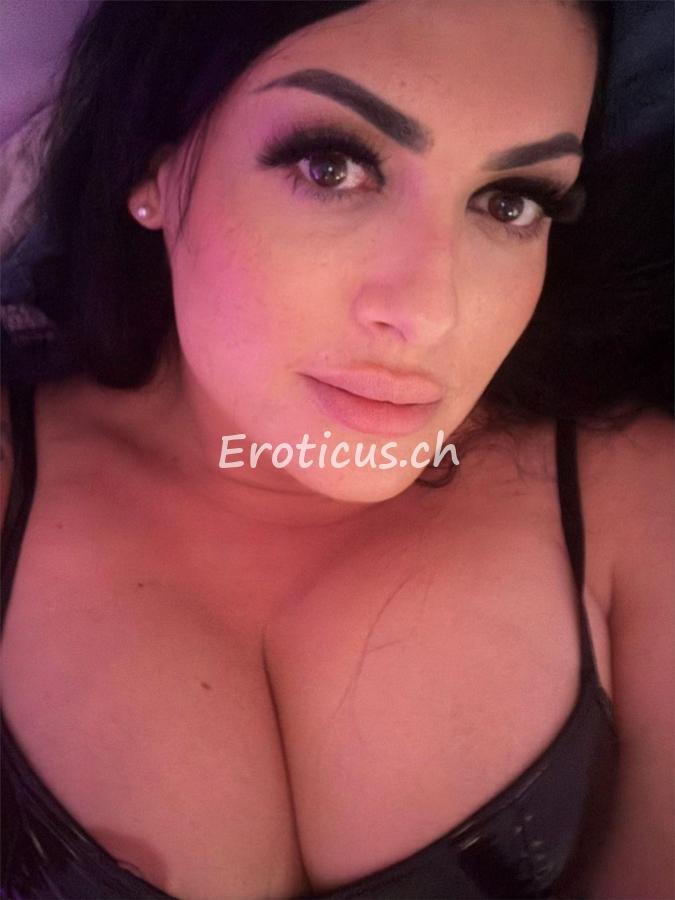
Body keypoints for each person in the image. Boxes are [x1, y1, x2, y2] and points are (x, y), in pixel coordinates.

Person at [1, 1, 672, 898]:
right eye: (331, 167)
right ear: (153, 164)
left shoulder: (637, 497)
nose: (430, 312)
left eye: (510, 202)